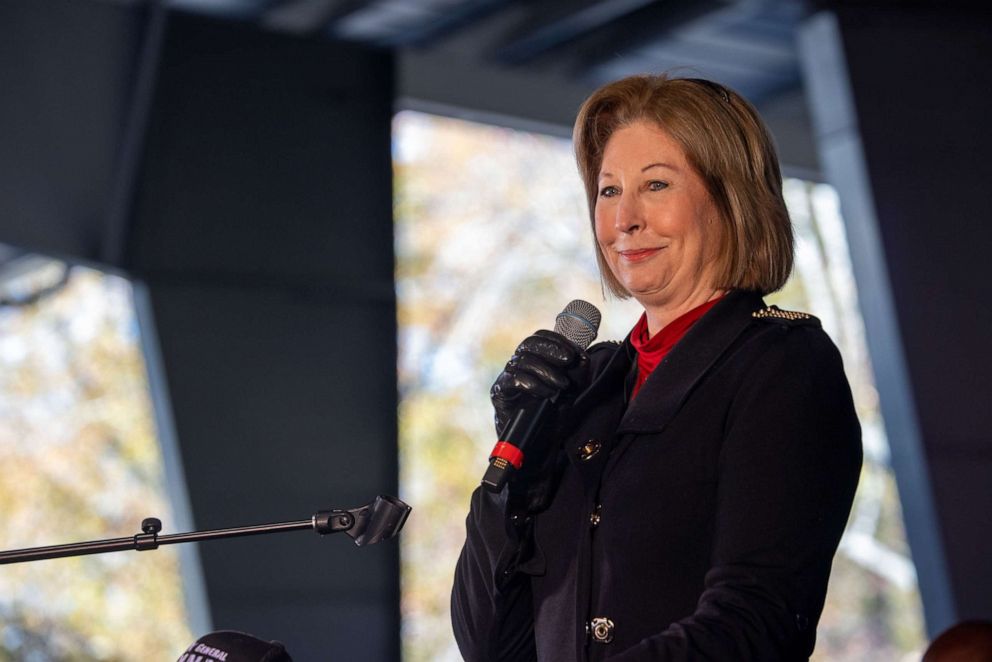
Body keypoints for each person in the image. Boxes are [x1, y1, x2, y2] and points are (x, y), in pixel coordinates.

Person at [450, 74, 863, 661]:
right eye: (609, 191)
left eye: (657, 185)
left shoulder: (782, 366)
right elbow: (489, 645)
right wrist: (517, 477)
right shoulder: (586, 387)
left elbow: (755, 622)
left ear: (730, 198)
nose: (625, 219)